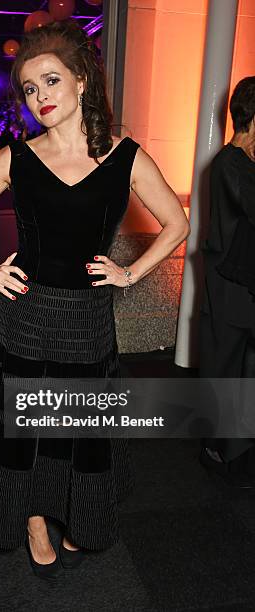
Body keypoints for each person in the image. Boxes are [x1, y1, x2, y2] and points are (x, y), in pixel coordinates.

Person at [0, 20, 189, 580]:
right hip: (21, 318)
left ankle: (76, 515)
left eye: (50, 81)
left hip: (87, 322)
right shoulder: (15, 159)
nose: (40, 98)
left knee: (80, 428)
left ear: (81, 82)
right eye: (29, 89)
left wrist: (131, 274)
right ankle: (32, 522)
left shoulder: (124, 157)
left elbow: (176, 222)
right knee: (27, 429)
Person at [199, 76, 255, 488]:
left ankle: (238, 446)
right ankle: (217, 449)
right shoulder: (228, 163)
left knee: (245, 366)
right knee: (225, 364)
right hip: (228, 283)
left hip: (245, 281)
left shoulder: (246, 164)